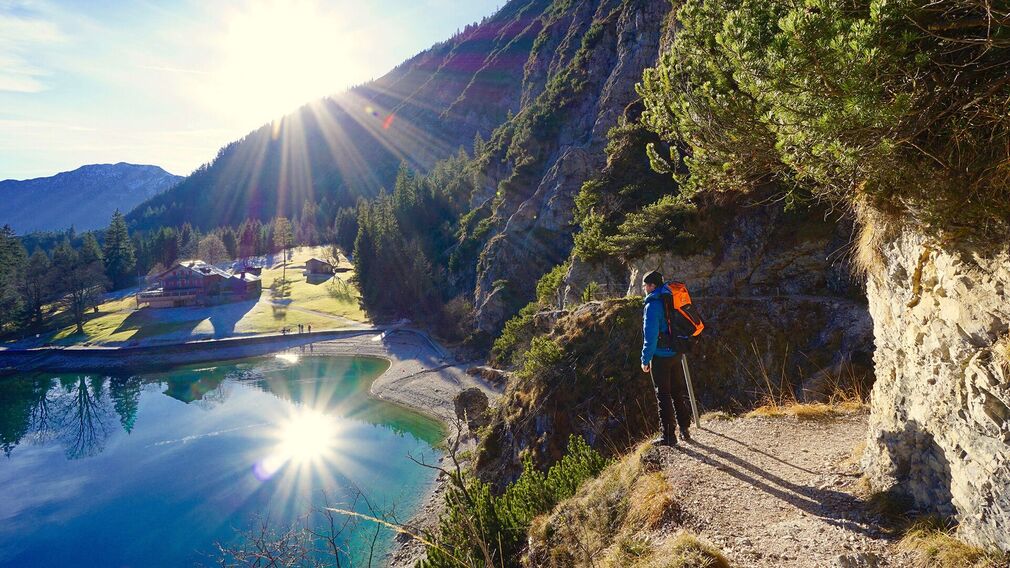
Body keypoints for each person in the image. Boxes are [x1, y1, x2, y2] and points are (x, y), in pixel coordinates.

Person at [641, 270, 693, 446]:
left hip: (661, 356)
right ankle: (685, 427)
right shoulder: (671, 297)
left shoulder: (652, 305)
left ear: (652, 286)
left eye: (645, 285)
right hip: (676, 352)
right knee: (677, 391)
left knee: (662, 395)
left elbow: (650, 336)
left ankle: (669, 436)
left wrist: (645, 359)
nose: (644, 289)